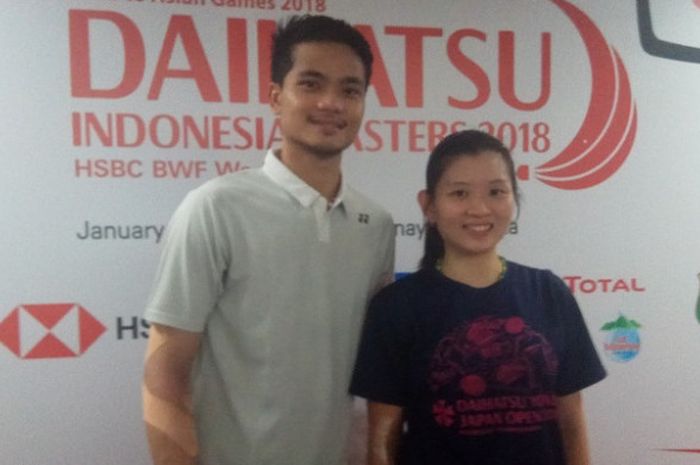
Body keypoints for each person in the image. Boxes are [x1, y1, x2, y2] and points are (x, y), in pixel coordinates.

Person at [142, 14, 395, 465]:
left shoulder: (375, 225)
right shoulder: (216, 207)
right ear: (277, 98)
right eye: (312, 84)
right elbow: (165, 370)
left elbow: (375, 372)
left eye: (350, 90)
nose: (332, 103)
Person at [350, 130, 606, 465]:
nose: (479, 208)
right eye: (459, 193)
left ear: (514, 199)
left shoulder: (548, 293)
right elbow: (383, 436)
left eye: (496, 192)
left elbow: (571, 422)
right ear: (429, 206)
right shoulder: (397, 307)